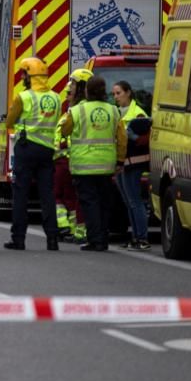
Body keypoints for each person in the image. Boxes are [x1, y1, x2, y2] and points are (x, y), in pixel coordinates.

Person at [60, 75, 127, 252]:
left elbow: (64, 131)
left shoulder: (77, 111)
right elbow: (122, 138)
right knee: (104, 204)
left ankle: (95, 240)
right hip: (106, 165)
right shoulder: (113, 110)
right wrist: (120, 160)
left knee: (89, 204)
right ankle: (103, 239)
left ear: (87, 91)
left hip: (83, 165)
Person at [4, 57, 62, 251]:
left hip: (27, 148)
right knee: (47, 194)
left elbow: (10, 121)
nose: (22, 77)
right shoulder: (55, 97)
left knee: (21, 193)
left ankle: (18, 238)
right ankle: (52, 239)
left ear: (29, 76)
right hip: (47, 150)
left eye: (23, 74)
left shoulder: (24, 97)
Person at [55, 68, 92, 244]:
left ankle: (73, 229)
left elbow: (65, 135)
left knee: (68, 197)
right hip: (77, 160)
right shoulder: (73, 110)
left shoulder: (76, 111)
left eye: (75, 84)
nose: (71, 89)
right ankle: (73, 229)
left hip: (70, 160)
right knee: (72, 197)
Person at [113, 80, 151, 251]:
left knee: (135, 201)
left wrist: (131, 137)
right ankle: (135, 237)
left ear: (128, 93)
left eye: (118, 93)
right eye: (114, 94)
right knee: (129, 202)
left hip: (133, 163)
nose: (115, 97)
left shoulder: (138, 114)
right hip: (121, 163)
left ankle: (142, 238)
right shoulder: (116, 112)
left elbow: (143, 140)